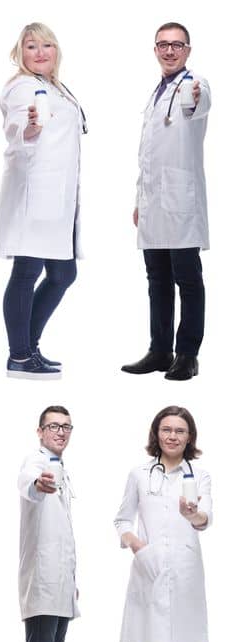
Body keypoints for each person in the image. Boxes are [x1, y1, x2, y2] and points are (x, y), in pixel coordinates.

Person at [115, 406, 211, 642]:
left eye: (180, 431)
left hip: (185, 573)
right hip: (149, 572)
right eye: (166, 429)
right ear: (156, 434)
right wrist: (138, 545)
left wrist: (194, 515)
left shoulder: (199, 476)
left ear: (190, 437)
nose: (172, 436)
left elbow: (206, 518)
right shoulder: (139, 474)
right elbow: (122, 518)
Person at [122, 23, 210, 382]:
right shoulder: (155, 93)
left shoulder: (195, 85)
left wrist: (195, 93)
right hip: (154, 202)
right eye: (163, 45)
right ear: (155, 49)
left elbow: (198, 104)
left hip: (181, 201)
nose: (169, 51)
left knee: (187, 278)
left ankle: (187, 354)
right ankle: (160, 350)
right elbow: (149, 153)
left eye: (177, 45)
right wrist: (140, 198)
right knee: (156, 276)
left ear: (188, 50)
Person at [0, 23, 84, 379]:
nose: (40, 52)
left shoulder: (54, 87)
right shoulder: (22, 87)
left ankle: (28, 347)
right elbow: (20, 125)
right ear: (21, 53)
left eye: (47, 44)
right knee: (27, 271)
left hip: (58, 195)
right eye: (31, 46)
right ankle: (19, 355)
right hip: (34, 192)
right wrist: (30, 126)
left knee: (63, 273)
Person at [14, 406, 79, 642]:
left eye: (67, 427)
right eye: (54, 426)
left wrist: (72, 580)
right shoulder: (35, 462)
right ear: (39, 431)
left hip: (61, 582)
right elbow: (29, 485)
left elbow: (63, 532)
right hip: (41, 579)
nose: (61, 431)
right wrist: (39, 484)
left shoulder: (62, 467)